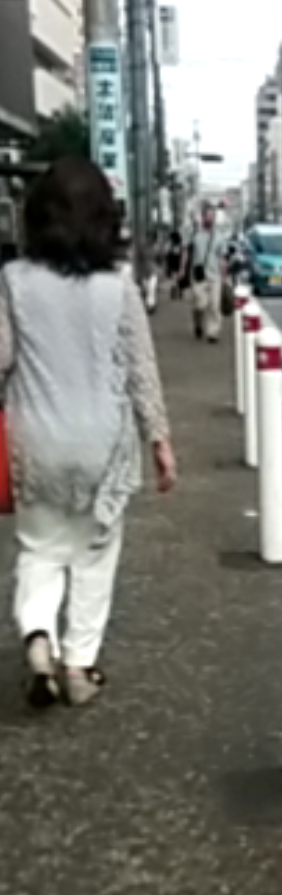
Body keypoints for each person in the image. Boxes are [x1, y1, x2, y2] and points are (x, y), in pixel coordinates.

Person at [0, 158, 177, 708]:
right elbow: (140, 368)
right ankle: (78, 664)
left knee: (40, 547)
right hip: (103, 443)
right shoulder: (117, 286)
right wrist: (160, 441)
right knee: (95, 551)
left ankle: (38, 634)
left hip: (35, 439)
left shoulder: (13, 281)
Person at [188, 207, 228, 342]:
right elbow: (187, 253)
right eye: (208, 216)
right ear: (203, 217)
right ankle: (198, 323)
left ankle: (213, 332)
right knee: (200, 304)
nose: (210, 218)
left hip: (215, 276)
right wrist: (183, 270)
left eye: (212, 216)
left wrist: (224, 276)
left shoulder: (219, 237)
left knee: (214, 306)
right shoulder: (195, 235)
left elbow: (223, 258)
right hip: (198, 275)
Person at [165, 228, 184, 299]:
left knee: (174, 279)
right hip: (177, 264)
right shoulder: (179, 245)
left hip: (173, 264)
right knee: (177, 279)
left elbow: (167, 255)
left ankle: (174, 292)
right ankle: (178, 292)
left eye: (171, 238)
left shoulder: (171, 245)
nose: (170, 239)